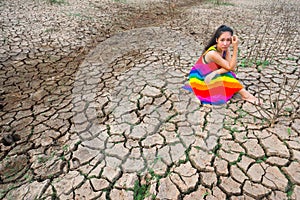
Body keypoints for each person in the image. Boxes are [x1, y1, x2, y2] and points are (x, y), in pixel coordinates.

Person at [187, 25, 260, 105]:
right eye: (222, 40)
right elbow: (230, 67)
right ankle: (245, 95)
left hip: (211, 74)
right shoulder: (212, 53)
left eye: (228, 40)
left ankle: (244, 94)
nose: (225, 43)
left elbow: (230, 67)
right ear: (217, 40)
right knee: (227, 77)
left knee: (229, 75)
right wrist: (235, 48)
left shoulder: (224, 49)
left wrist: (215, 72)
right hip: (201, 78)